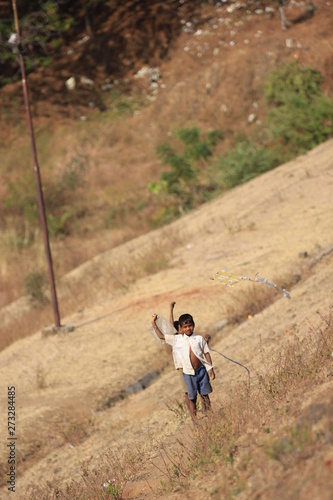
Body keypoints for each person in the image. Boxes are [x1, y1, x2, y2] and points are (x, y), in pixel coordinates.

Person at [151, 311, 215, 424]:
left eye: (190, 326)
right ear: (181, 328)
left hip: (201, 371)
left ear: (193, 325)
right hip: (188, 373)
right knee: (192, 398)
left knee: (205, 395)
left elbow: (207, 353)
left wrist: (210, 369)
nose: (188, 329)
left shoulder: (199, 339)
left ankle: (209, 415)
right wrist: (154, 324)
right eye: (185, 327)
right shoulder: (177, 339)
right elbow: (161, 336)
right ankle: (195, 420)